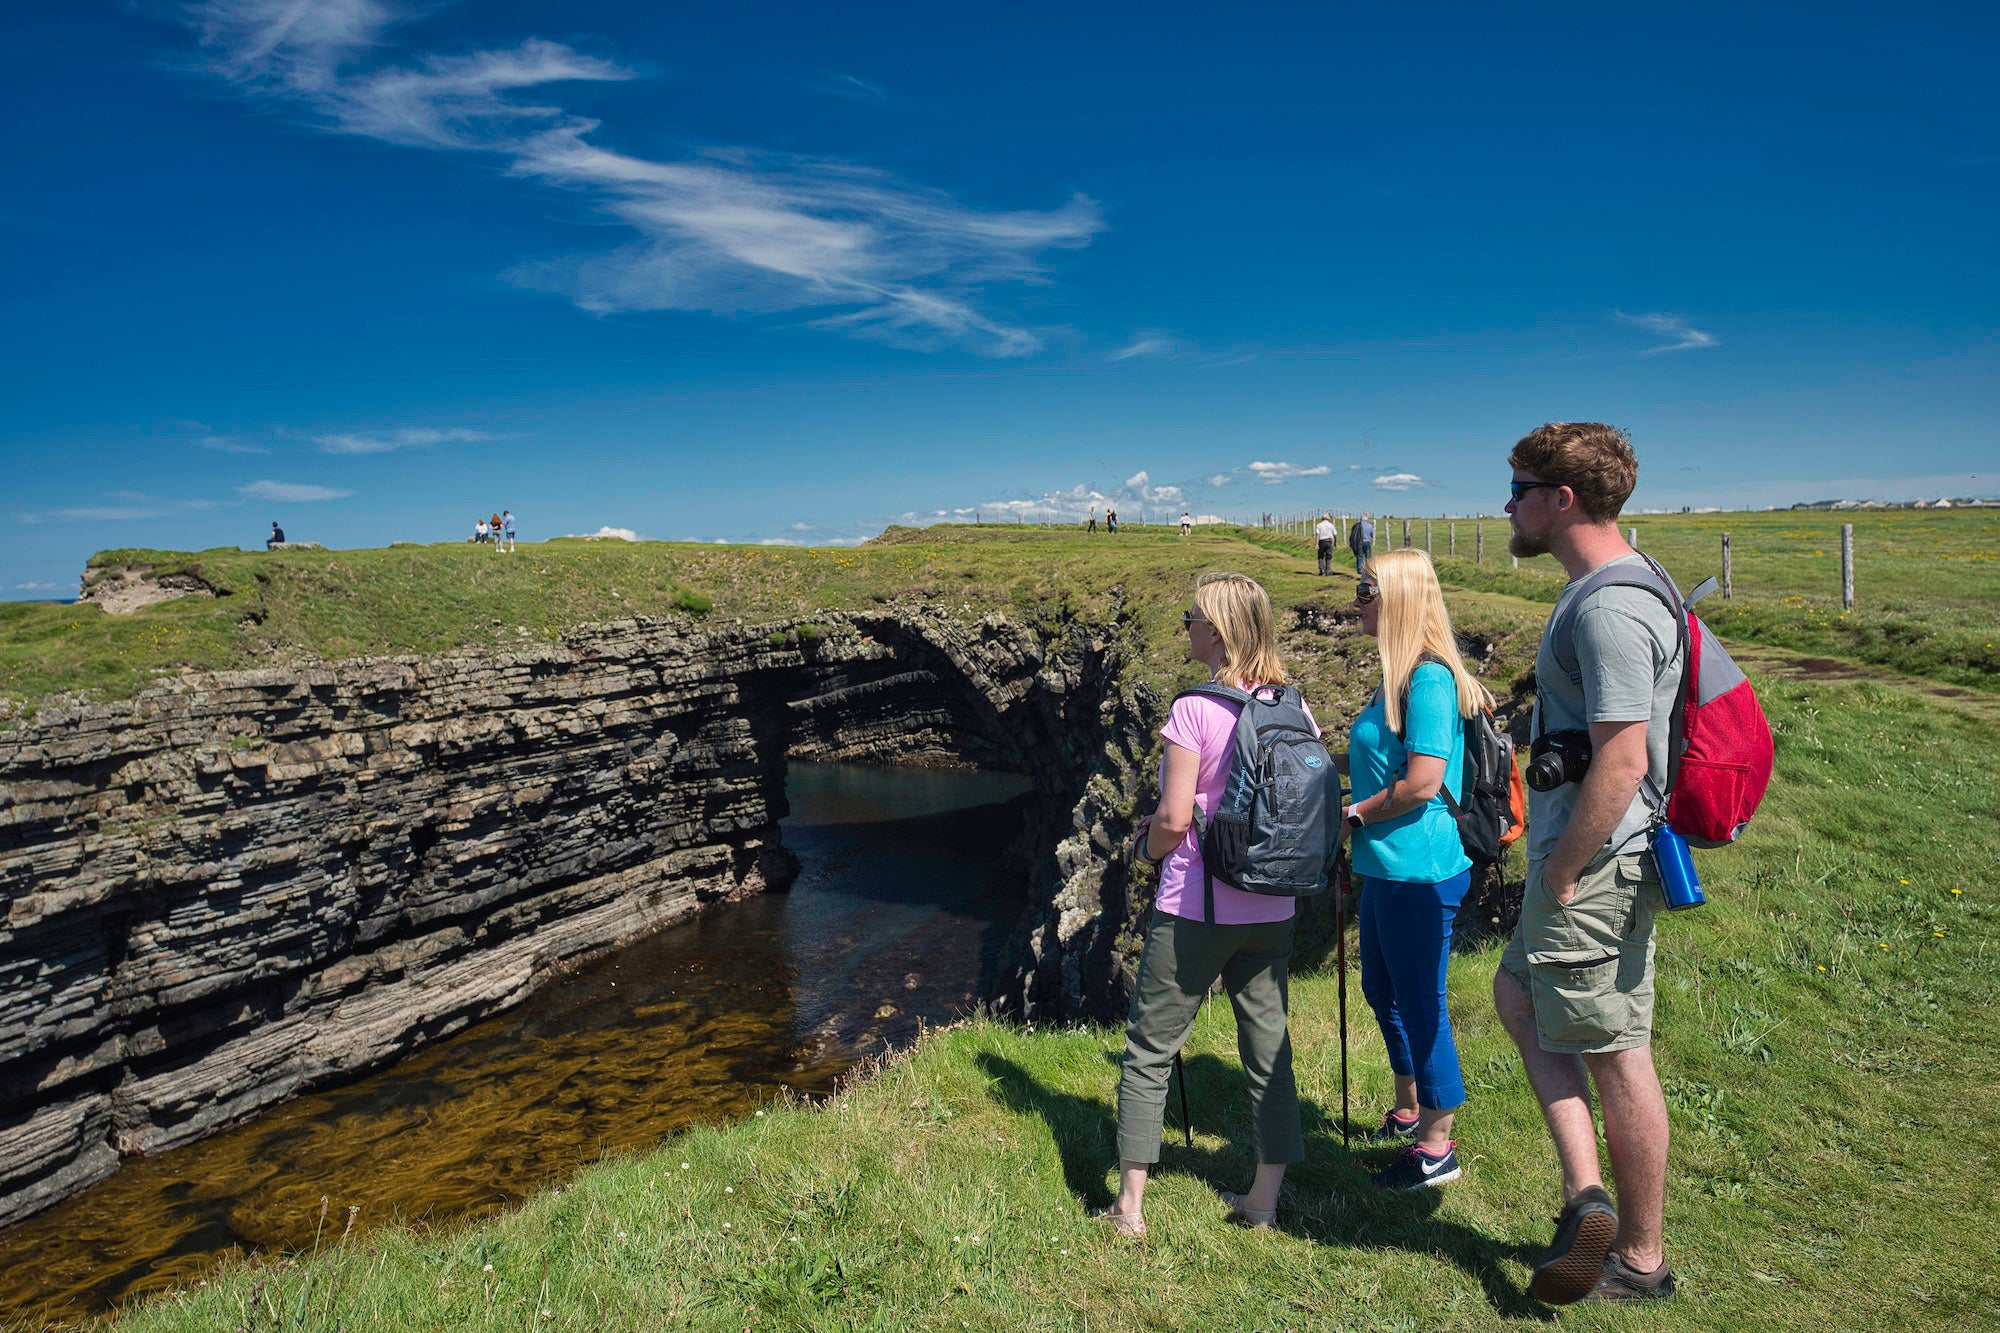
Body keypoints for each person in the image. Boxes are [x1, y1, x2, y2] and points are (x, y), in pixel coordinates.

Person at [1494, 422, 1683, 1305]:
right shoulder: (1623, 587)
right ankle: (1585, 1198)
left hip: (1595, 866)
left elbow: (1624, 759)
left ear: (1561, 499)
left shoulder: (1609, 606)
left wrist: (1565, 870)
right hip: (1589, 859)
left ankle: (1640, 1261)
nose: (1509, 507)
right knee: (1518, 994)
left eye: (1520, 489)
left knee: (1614, 1048)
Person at [1100, 572, 1309, 1237]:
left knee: (1150, 1047)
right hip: (1272, 906)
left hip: (1196, 903)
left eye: (1191, 615)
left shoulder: (1194, 709)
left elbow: (1170, 814)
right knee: (1268, 1048)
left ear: (1215, 629)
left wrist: (1144, 850)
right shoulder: (1292, 706)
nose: (1185, 624)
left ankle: (1130, 1208)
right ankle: (1264, 1200)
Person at [1342, 549, 1492, 1190]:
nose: (1358, 600)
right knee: (1382, 986)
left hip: (1421, 869)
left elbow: (1423, 782)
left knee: (1422, 1003)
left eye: (1367, 588)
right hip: (1387, 866)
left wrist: (1355, 815)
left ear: (1399, 597)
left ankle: (1436, 1147)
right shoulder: (1395, 675)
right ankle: (1410, 1107)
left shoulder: (1428, 679)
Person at [1351, 511, 1375, 575]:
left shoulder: (1358, 525)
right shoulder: (1370, 526)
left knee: (1360, 556)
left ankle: (1360, 569)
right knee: (1368, 556)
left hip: (1360, 542)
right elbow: (1372, 534)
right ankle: (1369, 569)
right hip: (1367, 541)